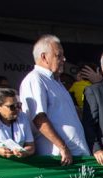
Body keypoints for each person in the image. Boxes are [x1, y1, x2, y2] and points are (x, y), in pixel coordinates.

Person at [20, 35, 88, 165]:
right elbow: (39, 118)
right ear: (44, 57)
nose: (64, 59)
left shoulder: (56, 82)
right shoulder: (35, 79)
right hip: (58, 158)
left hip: (75, 156)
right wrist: (62, 147)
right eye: (59, 55)